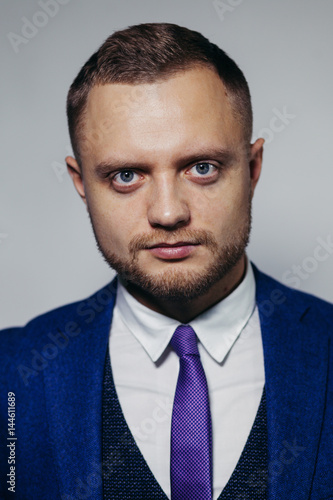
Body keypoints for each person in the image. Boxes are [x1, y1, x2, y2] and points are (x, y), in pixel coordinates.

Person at [0, 22, 332, 500]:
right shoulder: (13, 376)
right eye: (126, 175)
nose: (169, 212)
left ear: (253, 168)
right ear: (80, 183)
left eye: (202, 168)